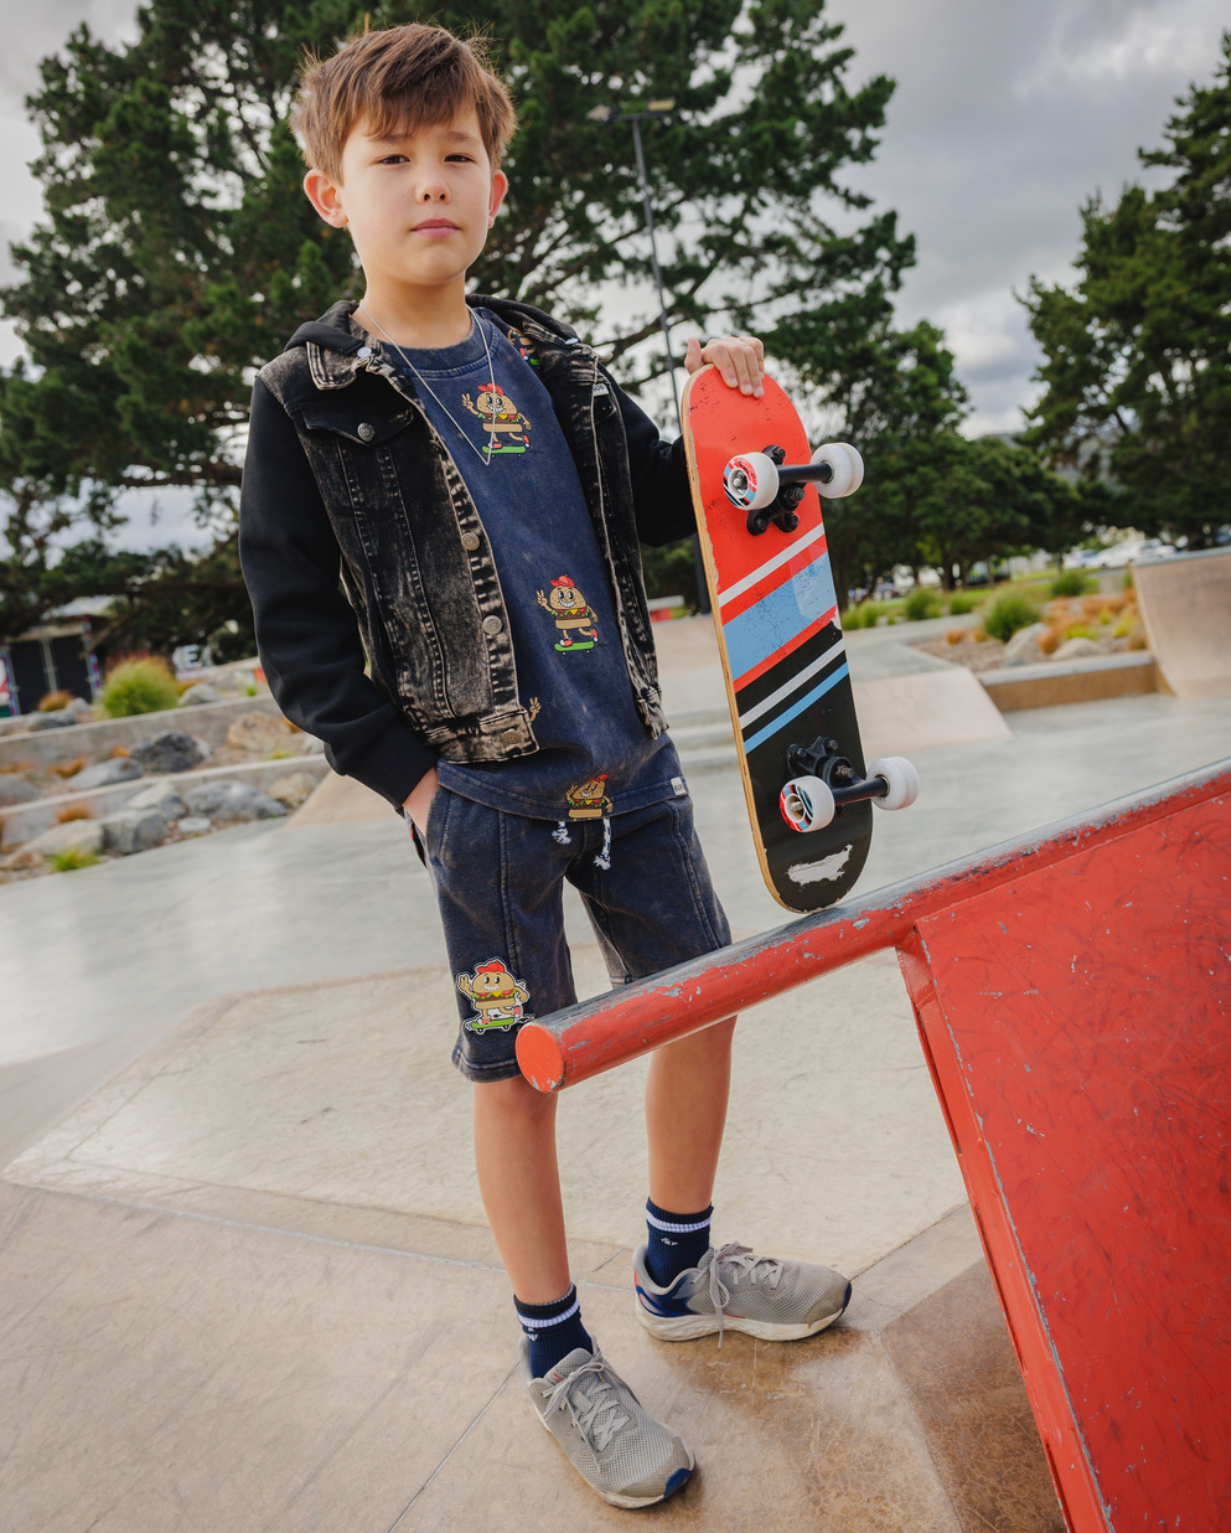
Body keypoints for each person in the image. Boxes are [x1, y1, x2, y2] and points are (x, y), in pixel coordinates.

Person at [239, 21, 850, 1510]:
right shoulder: (308, 398)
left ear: (497, 185)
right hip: (487, 801)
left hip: (627, 766)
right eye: (393, 160)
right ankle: (556, 1354)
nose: (429, 183)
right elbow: (297, 627)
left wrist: (729, 407)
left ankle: (679, 1264)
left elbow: (676, 499)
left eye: (460, 156)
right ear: (334, 192)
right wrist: (419, 784)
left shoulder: (555, 365)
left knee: (701, 1002)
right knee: (521, 1069)